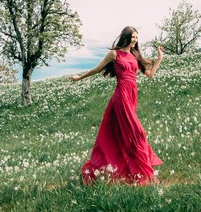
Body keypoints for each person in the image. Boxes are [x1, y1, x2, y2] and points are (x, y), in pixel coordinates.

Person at [70, 26, 164, 185]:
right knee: (138, 132)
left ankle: (128, 171)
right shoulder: (114, 53)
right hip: (121, 97)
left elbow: (150, 74)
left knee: (124, 134)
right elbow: (97, 69)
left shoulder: (135, 55)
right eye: (132, 37)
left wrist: (159, 58)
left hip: (132, 96)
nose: (134, 40)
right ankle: (141, 169)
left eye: (136, 38)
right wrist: (79, 78)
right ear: (125, 37)